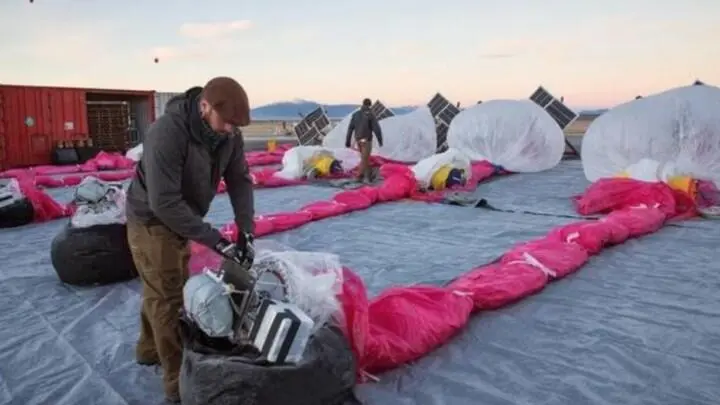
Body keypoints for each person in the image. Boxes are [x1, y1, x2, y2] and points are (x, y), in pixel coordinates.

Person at [125, 76, 256, 403]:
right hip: (152, 220)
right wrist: (216, 240)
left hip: (183, 216)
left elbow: (239, 180)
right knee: (168, 298)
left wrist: (245, 231)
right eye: (226, 122)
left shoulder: (227, 136)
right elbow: (164, 203)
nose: (229, 130)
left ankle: (147, 348)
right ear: (204, 106)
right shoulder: (167, 132)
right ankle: (176, 385)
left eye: (234, 126)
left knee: (161, 284)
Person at [345, 98, 383, 182]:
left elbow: (350, 128)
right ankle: (361, 177)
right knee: (365, 159)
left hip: (358, 140)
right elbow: (377, 129)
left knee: (364, 158)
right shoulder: (370, 115)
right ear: (370, 105)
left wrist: (347, 141)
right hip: (366, 140)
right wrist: (380, 140)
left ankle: (367, 175)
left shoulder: (355, 114)